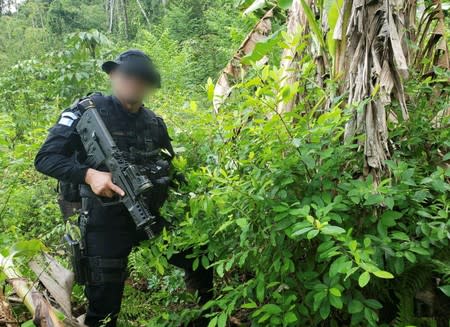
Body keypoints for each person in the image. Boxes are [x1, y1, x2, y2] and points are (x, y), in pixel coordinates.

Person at [34, 49, 213, 327]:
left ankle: (206, 319)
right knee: (104, 310)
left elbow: (171, 169)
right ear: (112, 75)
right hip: (105, 222)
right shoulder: (86, 111)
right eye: (127, 74)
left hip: (148, 215)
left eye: (141, 77)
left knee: (200, 257)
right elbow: (45, 159)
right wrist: (89, 175)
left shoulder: (154, 123)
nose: (133, 82)